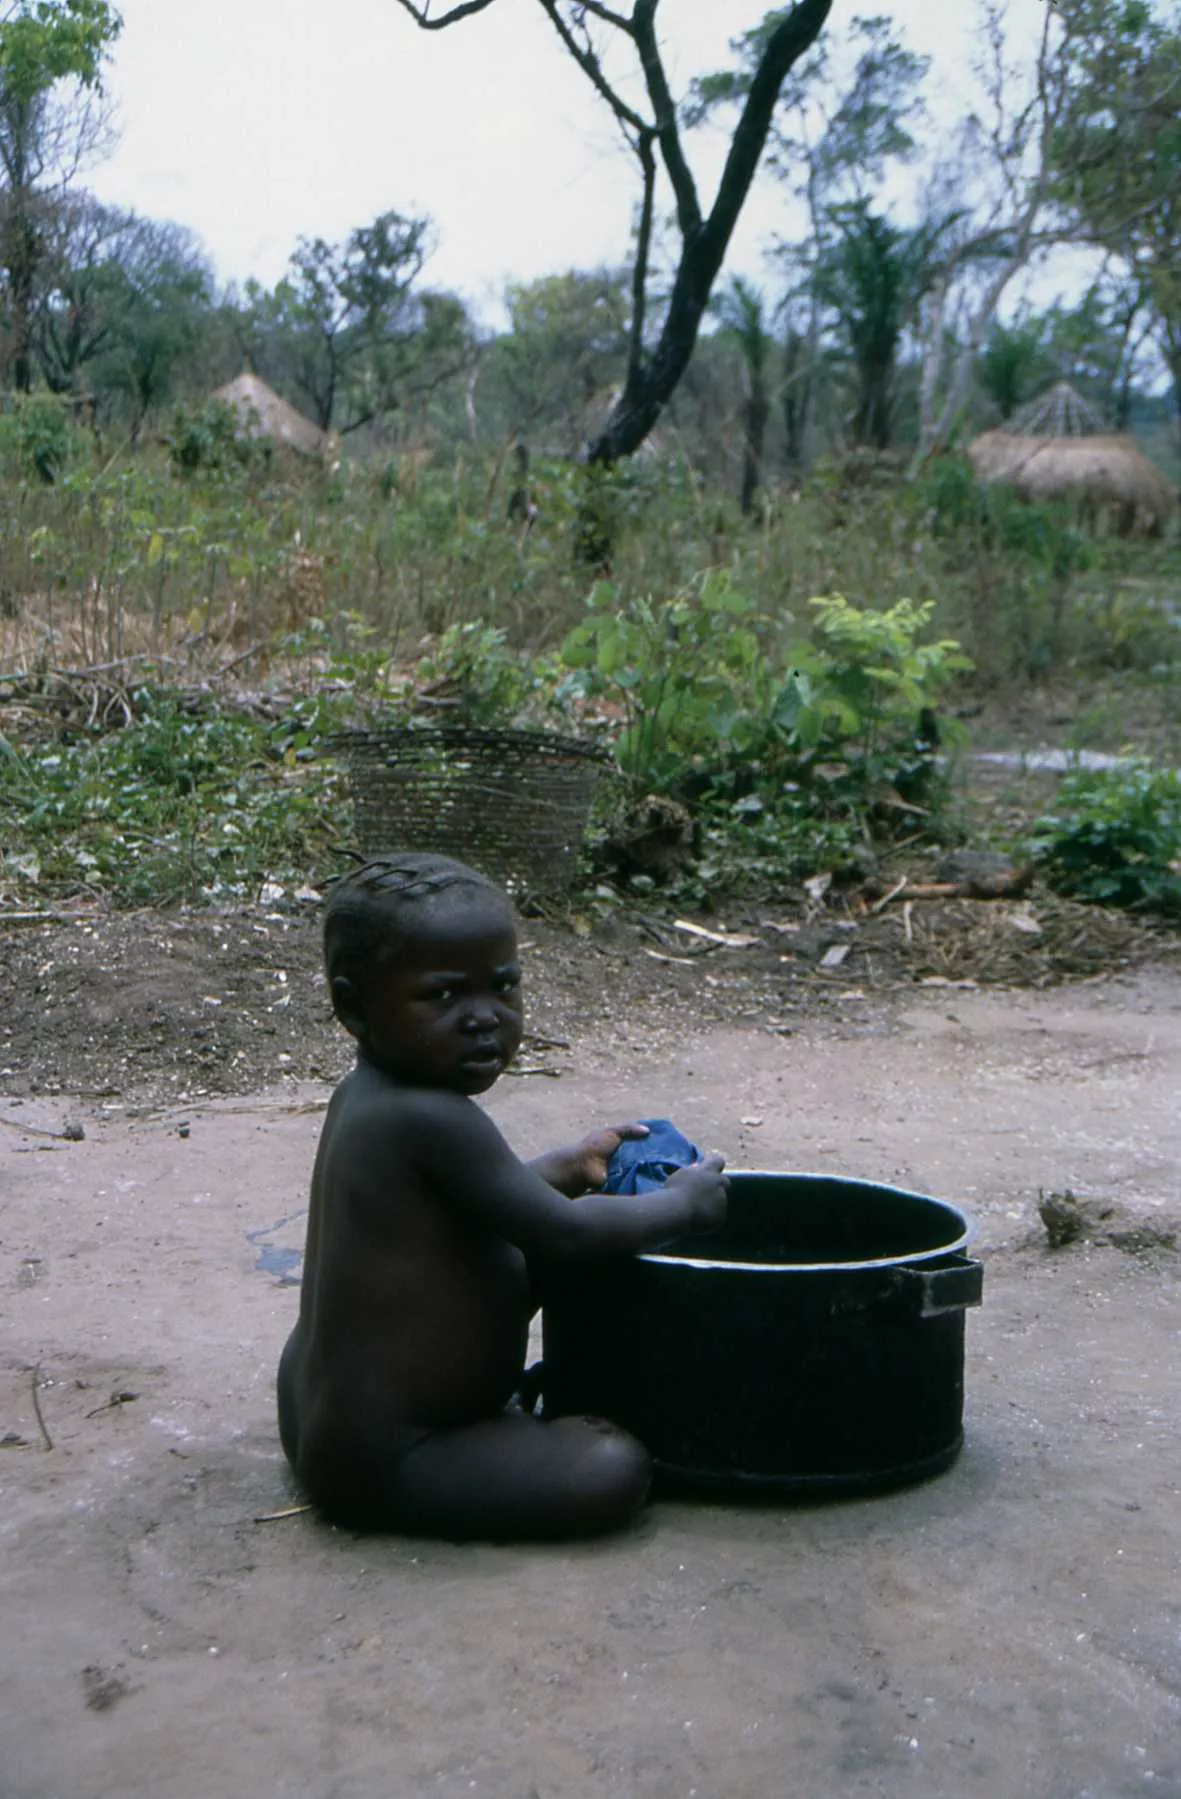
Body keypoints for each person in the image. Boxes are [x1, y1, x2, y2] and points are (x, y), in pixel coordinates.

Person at [277, 851, 728, 1541]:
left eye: (503, 987)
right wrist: (683, 1204)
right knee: (613, 1467)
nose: (484, 1017)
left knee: (529, 1250)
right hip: (394, 1456)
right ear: (352, 1005)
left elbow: (477, 1202)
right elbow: (566, 1235)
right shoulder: (427, 1116)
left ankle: (457, 1434)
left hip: (319, 1415)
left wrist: (569, 1164)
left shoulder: (369, 1096)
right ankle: (457, 1453)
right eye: (444, 994)